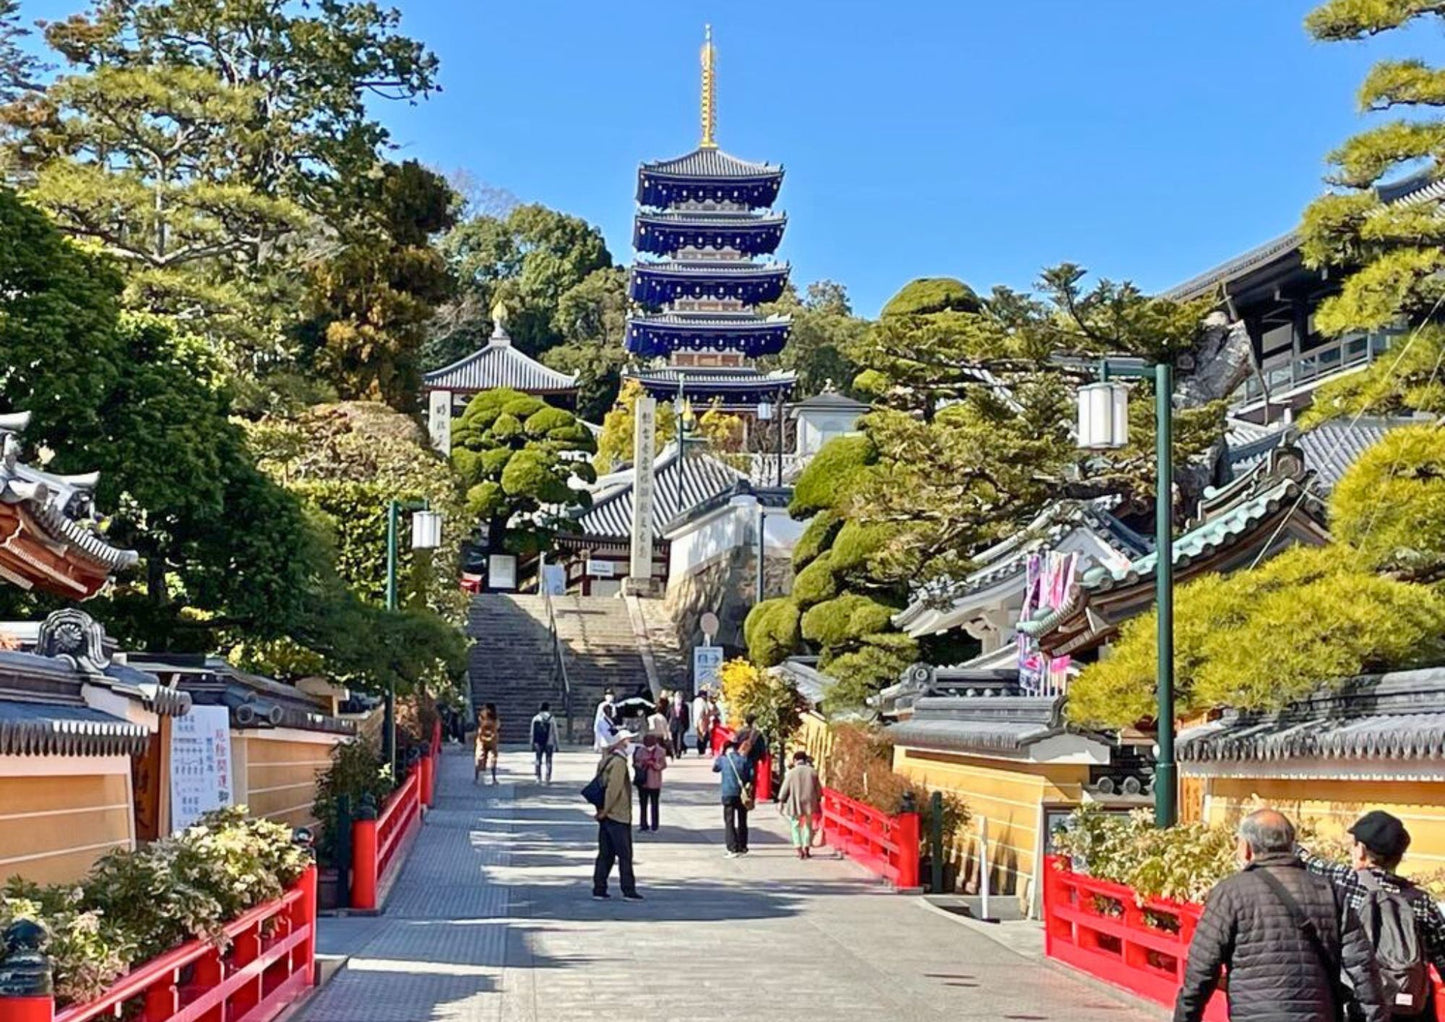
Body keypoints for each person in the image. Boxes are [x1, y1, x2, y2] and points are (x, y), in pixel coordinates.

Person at [1174, 808, 1387, 1022]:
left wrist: (1186, 1016)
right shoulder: (1329, 890)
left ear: (1246, 848)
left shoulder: (1230, 892)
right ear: (1292, 844)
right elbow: (1362, 967)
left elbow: (1201, 970)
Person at [1299, 810, 1445, 1020]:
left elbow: (1308, 861)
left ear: (1361, 851)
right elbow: (1441, 956)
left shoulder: (1348, 881)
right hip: (1410, 1008)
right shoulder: (1421, 900)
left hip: (1360, 1005)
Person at [592, 729, 642, 901]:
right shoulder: (619, 763)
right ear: (622, 742)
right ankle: (628, 890)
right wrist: (606, 809)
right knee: (625, 854)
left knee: (605, 853)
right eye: (629, 740)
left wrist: (601, 811)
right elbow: (613, 789)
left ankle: (599, 888)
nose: (632, 744)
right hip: (617, 814)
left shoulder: (606, 760)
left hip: (606, 814)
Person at [776, 751, 823, 859]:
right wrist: (818, 800)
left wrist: (781, 801)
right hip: (809, 802)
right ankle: (806, 847)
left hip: (795, 802)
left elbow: (785, 789)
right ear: (805, 760)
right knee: (808, 825)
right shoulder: (813, 772)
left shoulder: (791, 773)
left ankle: (798, 848)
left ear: (795, 760)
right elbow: (819, 791)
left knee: (795, 825)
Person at [712, 739, 753, 858]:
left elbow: (715, 768)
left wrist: (720, 755)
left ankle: (732, 847)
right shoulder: (744, 759)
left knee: (729, 821)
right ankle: (742, 846)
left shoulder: (723, 759)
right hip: (741, 794)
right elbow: (751, 775)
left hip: (728, 793)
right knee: (742, 820)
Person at [632, 733, 667, 831]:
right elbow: (636, 763)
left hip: (655, 782)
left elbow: (663, 765)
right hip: (643, 781)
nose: (648, 748)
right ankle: (643, 824)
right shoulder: (640, 751)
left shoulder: (660, 751)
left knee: (654, 804)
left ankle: (655, 825)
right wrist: (643, 763)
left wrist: (654, 765)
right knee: (643, 804)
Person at [529, 701, 560, 784]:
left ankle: (538, 777)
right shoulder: (551, 718)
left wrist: (532, 742)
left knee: (538, 759)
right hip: (549, 742)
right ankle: (547, 777)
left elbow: (532, 732)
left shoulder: (536, 718)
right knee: (549, 760)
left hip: (538, 742)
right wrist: (557, 743)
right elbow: (555, 732)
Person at [474, 703, 500, 785]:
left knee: (480, 758)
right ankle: (493, 778)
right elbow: (498, 727)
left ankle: (477, 777)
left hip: (483, 739)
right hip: (491, 740)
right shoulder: (495, 718)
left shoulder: (482, 717)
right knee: (491, 759)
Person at [668, 690, 691, 758]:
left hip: (681, 723)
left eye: (680, 697)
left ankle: (679, 752)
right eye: (677, 697)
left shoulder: (685, 706)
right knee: (674, 738)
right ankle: (675, 750)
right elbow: (668, 715)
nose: (678, 698)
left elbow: (687, 716)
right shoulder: (671, 705)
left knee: (680, 738)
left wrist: (687, 725)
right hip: (673, 723)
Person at [692, 688, 711, 756]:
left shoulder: (695, 701)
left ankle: (700, 748)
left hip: (696, 720)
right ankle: (702, 748)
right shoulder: (703, 701)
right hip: (702, 720)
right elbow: (706, 711)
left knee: (699, 734)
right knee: (704, 735)